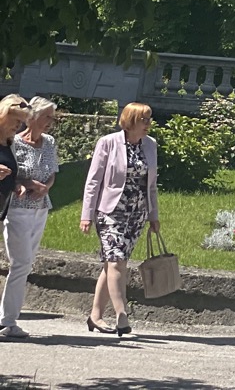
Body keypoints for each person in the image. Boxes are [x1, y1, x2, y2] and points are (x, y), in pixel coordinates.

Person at [81, 102, 160, 337]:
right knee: (117, 262)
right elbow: (93, 181)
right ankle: (121, 313)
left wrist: (153, 216)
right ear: (131, 120)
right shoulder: (108, 142)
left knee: (112, 264)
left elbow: (151, 185)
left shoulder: (150, 145)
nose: (148, 124)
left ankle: (95, 316)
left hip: (137, 214)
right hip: (110, 212)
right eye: (144, 119)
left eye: (149, 119)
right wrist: (86, 215)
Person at [2, 97, 58, 339]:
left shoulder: (49, 142)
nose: (50, 122)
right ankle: (7, 320)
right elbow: (12, 173)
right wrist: (27, 183)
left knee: (26, 263)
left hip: (41, 207)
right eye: (47, 117)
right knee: (21, 263)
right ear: (33, 117)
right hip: (17, 207)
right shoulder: (13, 142)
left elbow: (52, 172)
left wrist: (46, 186)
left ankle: (8, 319)